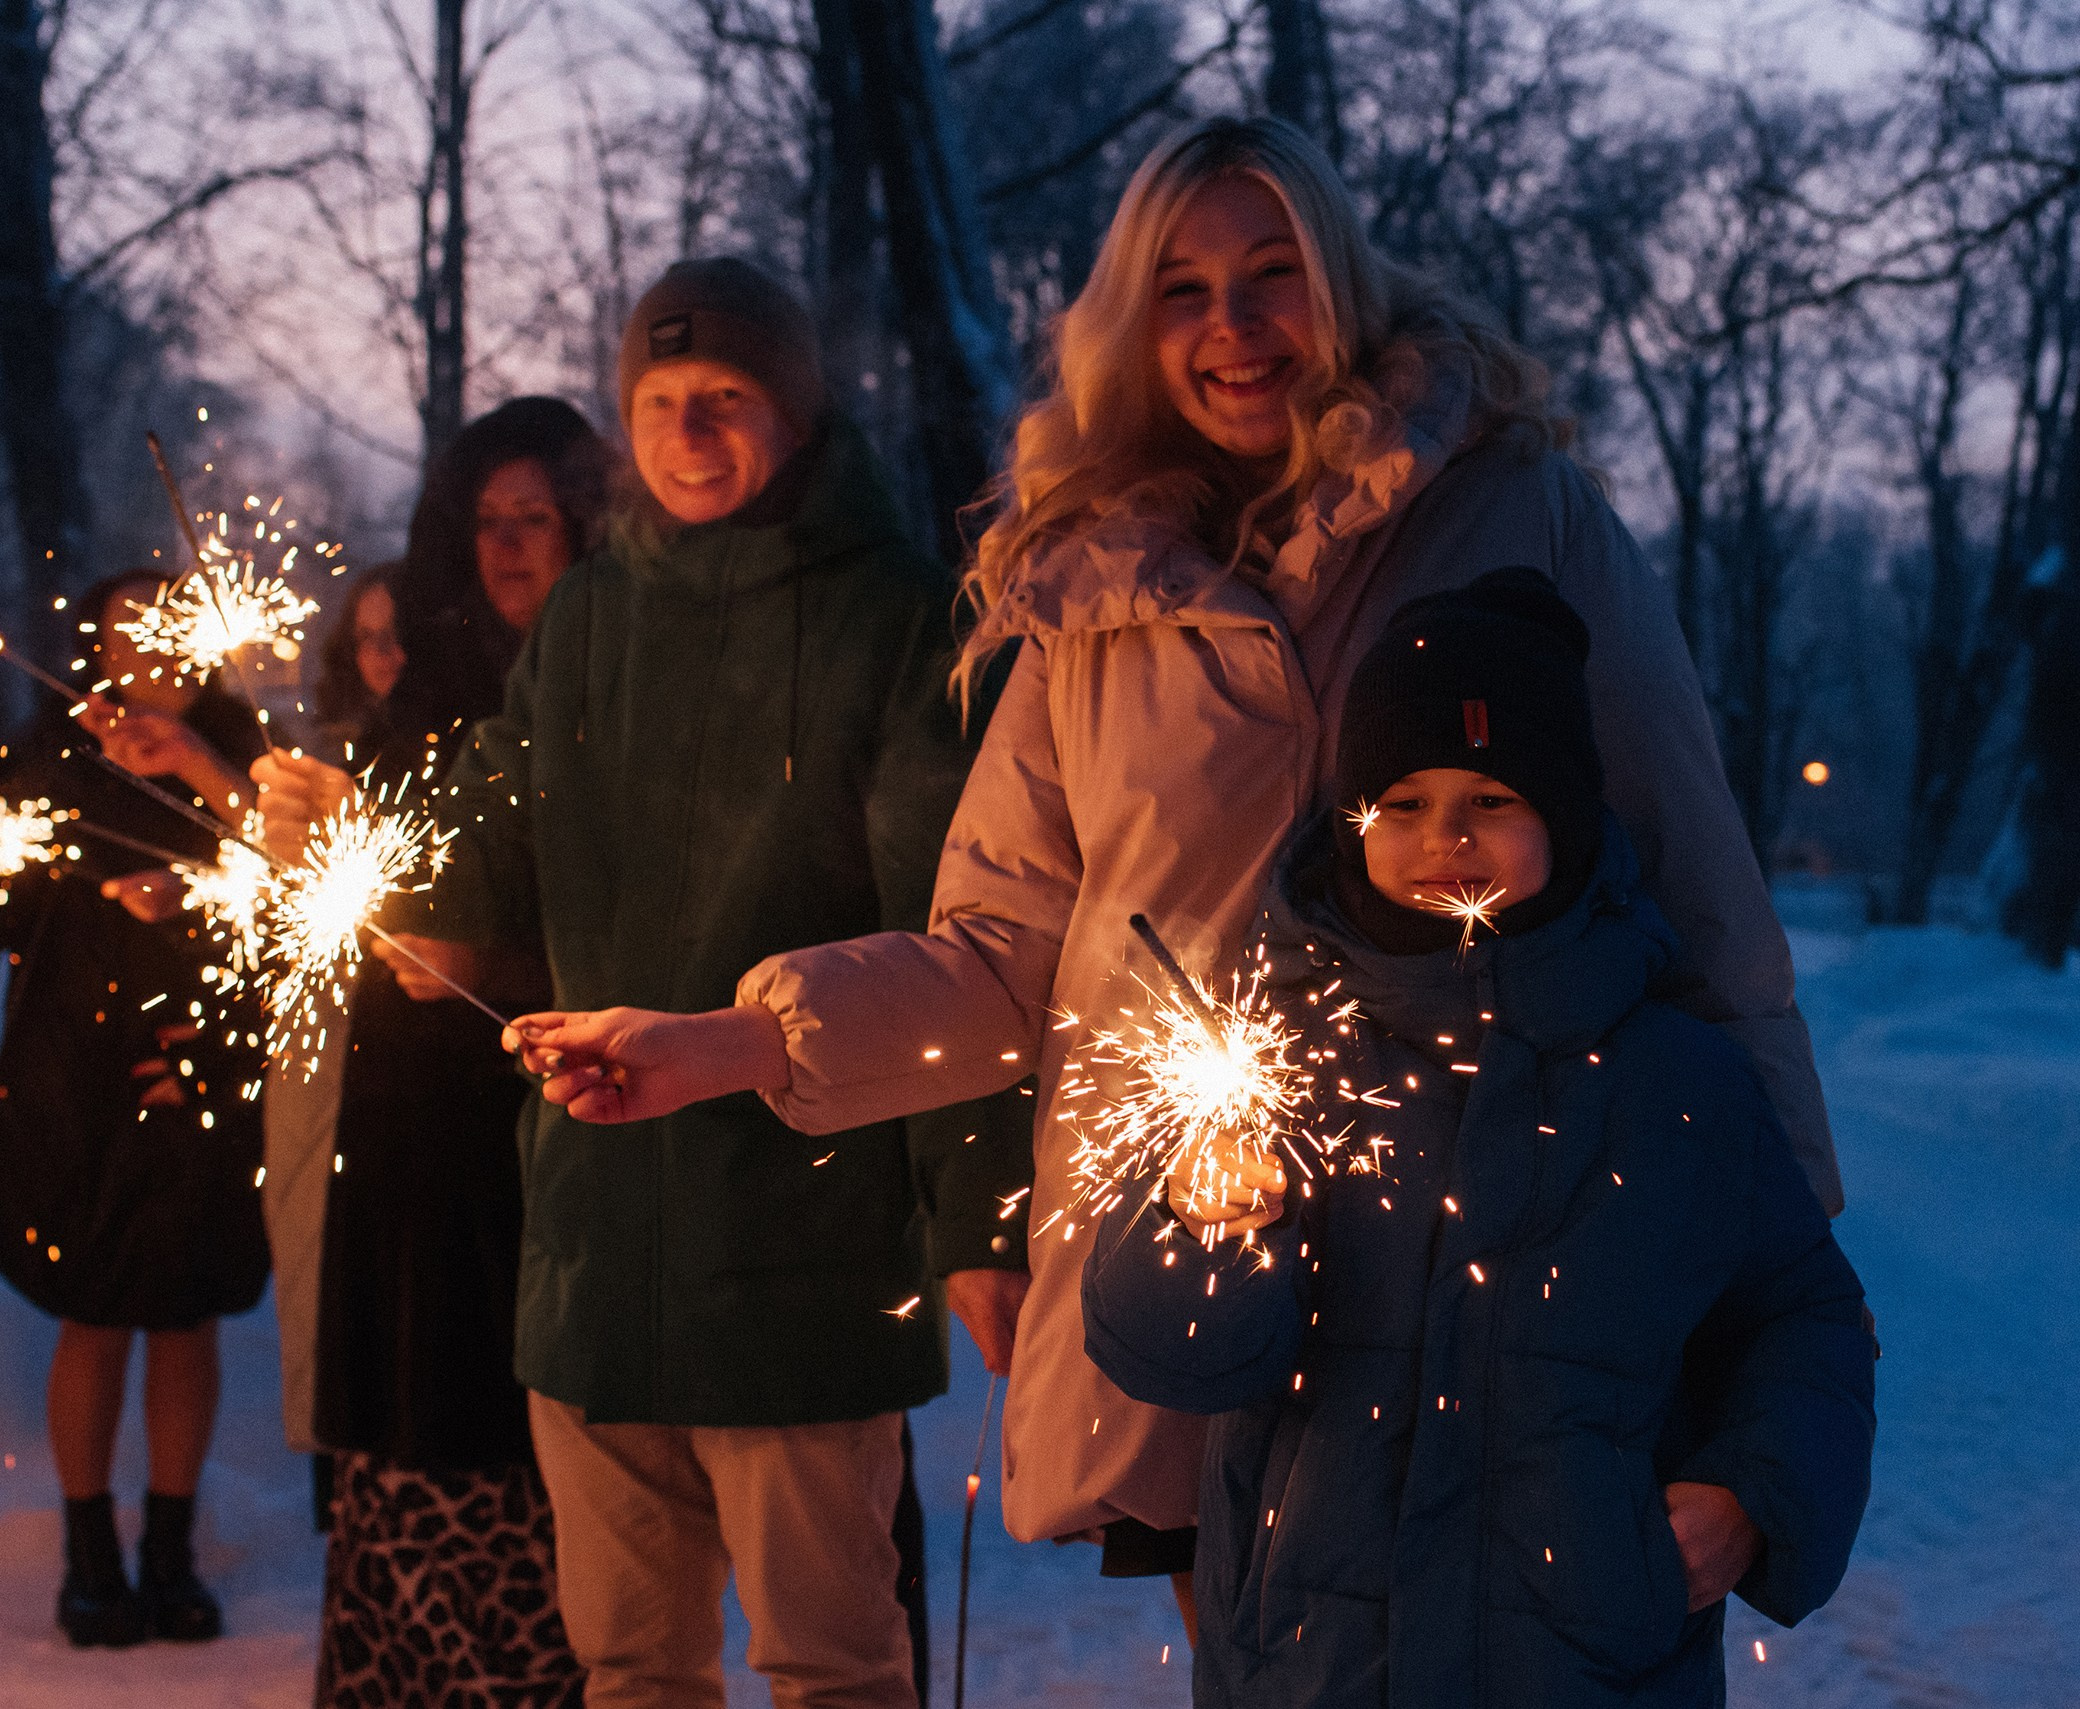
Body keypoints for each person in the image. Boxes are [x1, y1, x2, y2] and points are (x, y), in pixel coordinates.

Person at [507, 116, 1845, 1633]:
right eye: (1186, 290)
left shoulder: (1518, 515)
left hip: (1487, 1250)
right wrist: (738, 1042)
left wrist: (1775, 1243)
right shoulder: (1086, 584)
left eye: (1274, 274)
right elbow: (1000, 949)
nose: (1236, 327)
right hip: (1203, 1251)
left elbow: (1696, 882)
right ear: (1132, 326)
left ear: (1342, 284)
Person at [299, 259, 1029, 1709]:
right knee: (627, 1661)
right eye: (660, 403)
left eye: (728, 401)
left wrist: (974, 1213)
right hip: (592, 1241)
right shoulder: (589, 616)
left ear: (797, 413)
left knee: (832, 1661)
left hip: (801, 1252)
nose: (691, 434)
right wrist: (378, 863)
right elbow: (496, 829)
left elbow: (961, 944)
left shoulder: (897, 619)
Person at [1079, 572, 1876, 1704]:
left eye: (1490, 796)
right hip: (1311, 1666)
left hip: (1589, 1657)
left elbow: (1804, 1314)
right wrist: (1204, 1225)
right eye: (1398, 802)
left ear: (1563, 810)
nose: (1442, 836)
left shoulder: (1675, 1078)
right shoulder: (1275, 1053)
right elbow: (1176, 1353)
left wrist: (1755, 1493)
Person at [255, 397, 605, 1708]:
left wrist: (489, 969)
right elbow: (362, 927)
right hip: (403, 1163)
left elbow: (618, 929)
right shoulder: (420, 715)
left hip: (545, 1157)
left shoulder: (603, 698)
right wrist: (311, 845)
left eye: (536, 517)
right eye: (486, 521)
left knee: (522, 1502)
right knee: (395, 1492)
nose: (509, 545)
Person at [0, 570, 270, 1648]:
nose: (143, 652)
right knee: (93, 1308)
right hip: (71, 1069)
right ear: (96, 649)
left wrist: (194, 917)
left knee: (184, 1305)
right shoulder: (50, 754)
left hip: (195, 1063)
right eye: (120, 633)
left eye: (162, 631)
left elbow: (299, 899)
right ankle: (88, 1550)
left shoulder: (244, 750)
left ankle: (169, 1549)